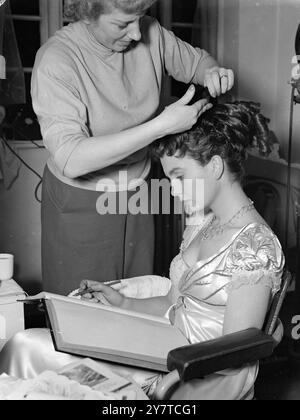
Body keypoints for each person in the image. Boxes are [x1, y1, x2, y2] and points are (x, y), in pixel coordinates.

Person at [0, 101, 284, 400]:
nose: (173, 190)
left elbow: (235, 349)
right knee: (29, 342)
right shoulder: (203, 224)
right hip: (161, 343)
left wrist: (172, 375)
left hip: (197, 370)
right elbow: (175, 304)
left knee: (29, 348)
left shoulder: (254, 245)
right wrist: (123, 302)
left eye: (180, 176)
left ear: (214, 166)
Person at [32, 0, 234, 295]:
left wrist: (212, 72)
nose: (138, 34)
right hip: (82, 199)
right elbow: (71, 158)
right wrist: (160, 126)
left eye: (140, 18)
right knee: (83, 310)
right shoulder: (56, 59)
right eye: (122, 24)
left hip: (139, 190)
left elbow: (199, 62)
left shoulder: (151, 31)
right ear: (87, 15)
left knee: (136, 298)